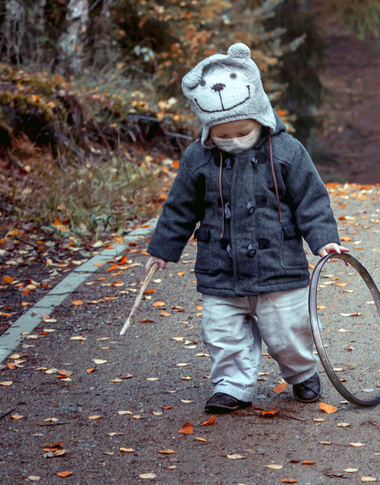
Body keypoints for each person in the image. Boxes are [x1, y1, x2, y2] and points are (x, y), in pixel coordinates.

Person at [145, 42, 347, 414]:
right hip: (220, 270)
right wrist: (162, 247)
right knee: (222, 334)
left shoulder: (287, 151)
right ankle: (232, 385)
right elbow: (180, 206)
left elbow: (311, 200)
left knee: (288, 330)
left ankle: (301, 373)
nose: (232, 139)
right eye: (222, 135)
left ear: (261, 116)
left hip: (279, 268)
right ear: (208, 129)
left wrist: (325, 241)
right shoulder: (197, 158)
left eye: (242, 131)